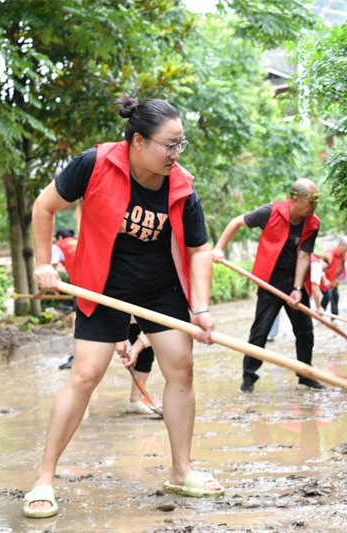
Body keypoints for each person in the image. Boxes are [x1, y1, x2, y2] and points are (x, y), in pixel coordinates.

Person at [24, 97, 222, 519]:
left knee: (181, 367)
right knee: (86, 374)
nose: (175, 154)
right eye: (168, 145)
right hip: (102, 284)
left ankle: (181, 470)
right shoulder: (94, 164)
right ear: (137, 141)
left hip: (160, 288)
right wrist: (43, 264)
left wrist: (200, 308)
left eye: (180, 145)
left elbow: (199, 248)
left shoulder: (181, 185)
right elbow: (44, 207)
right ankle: (43, 478)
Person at [212, 179, 325, 393]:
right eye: (311, 201)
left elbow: (304, 256)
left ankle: (305, 375)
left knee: (305, 331)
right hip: (270, 280)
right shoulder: (270, 212)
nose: (314, 206)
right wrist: (219, 248)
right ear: (295, 199)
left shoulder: (313, 222)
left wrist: (297, 289)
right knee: (260, 331)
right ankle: (248, 378)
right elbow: (237, 222)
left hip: (295, 281)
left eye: (316, 202)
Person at [115, 318, 162, 414]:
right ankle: (135, 399)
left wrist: (134, 350)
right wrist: (118, 336)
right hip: (122, 314)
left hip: (149, 316)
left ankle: (135, 399)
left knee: (146, 352)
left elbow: (156, 328)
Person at [52, 229, 79, 370]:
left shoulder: (58, 245)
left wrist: (50, 290)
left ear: (60, 237)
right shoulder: (78, 241)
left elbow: (51, 271)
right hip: (96, 279)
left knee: (76, 317)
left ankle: (79, 355)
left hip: (80, 283)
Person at [320, 236, 347, 317]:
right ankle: (319, 316)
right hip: (324, 282)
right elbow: (319, 267)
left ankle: (334, 318)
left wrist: (338, 279)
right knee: (328, 296)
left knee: (335, 296)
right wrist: (325, 280)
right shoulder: (329, 254)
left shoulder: (343, 256)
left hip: (333, 282)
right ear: (341, 245)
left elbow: (341, 270)